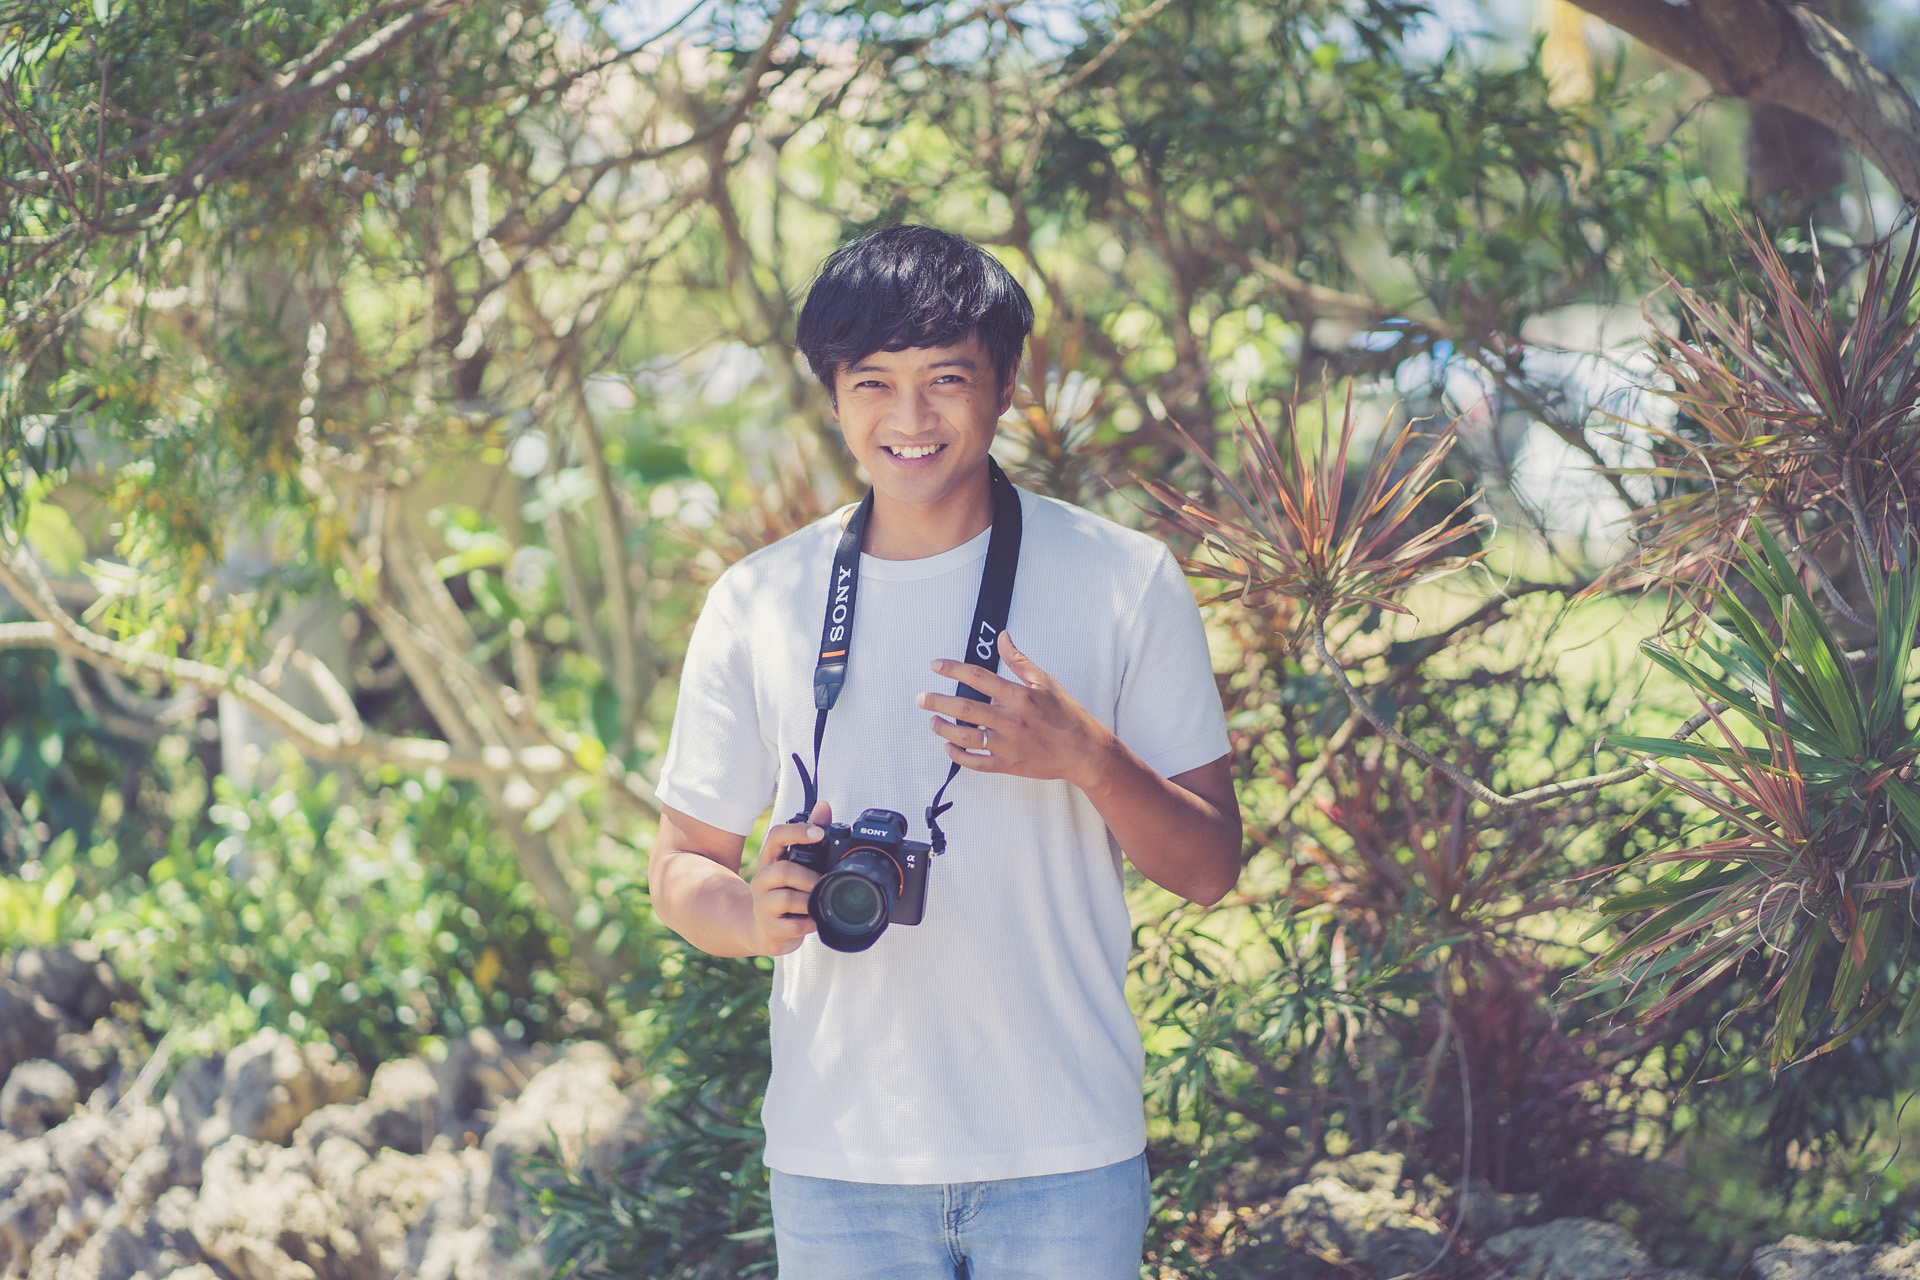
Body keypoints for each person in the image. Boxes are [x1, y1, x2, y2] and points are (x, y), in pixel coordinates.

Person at [648, 224, 1241, 1279]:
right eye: (872, 382)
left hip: (1065, 1155)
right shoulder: (760, 600)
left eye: (946, 379)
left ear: (1006, 384)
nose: (910, 418)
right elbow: (680, 864)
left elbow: (1210, 868)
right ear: (833, 395)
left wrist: (1088, 756)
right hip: (839, 1164)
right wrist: (749, 913)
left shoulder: (1123, 579)